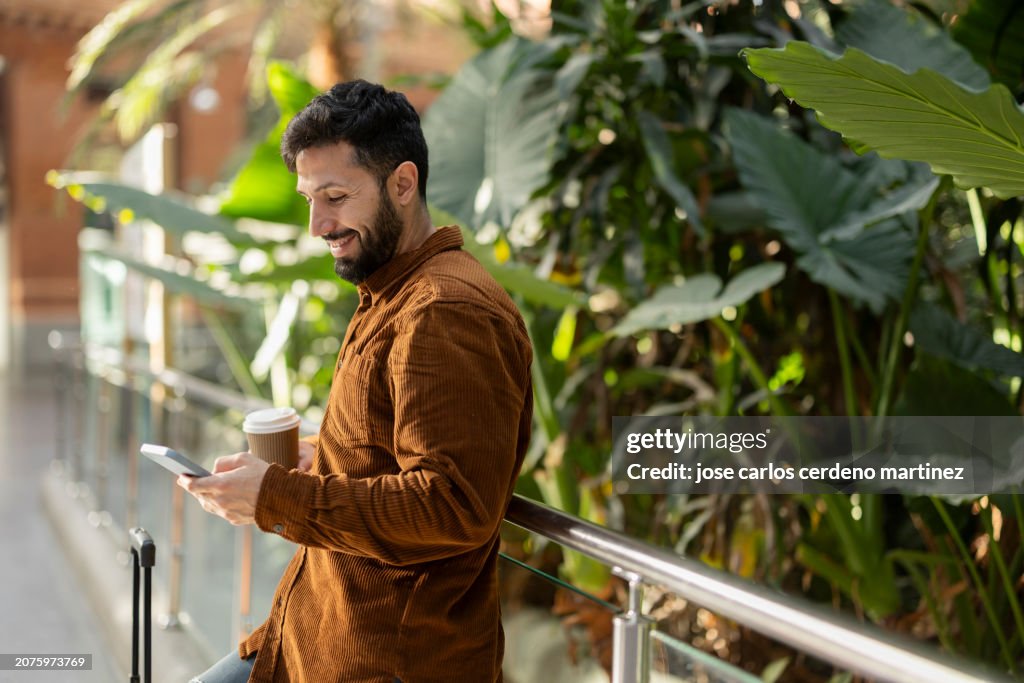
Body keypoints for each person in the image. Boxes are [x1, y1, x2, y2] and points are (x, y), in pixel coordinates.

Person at [180, 80, 534, 683]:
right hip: (319, 639)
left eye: (337, 196)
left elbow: (452, 506)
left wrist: (276, 497)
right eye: (310, 198)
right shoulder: (391, 290)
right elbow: (397, 457)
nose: (319, 224)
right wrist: (320, 460)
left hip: (387, 661)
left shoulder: (445, 310)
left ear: (402, 184)